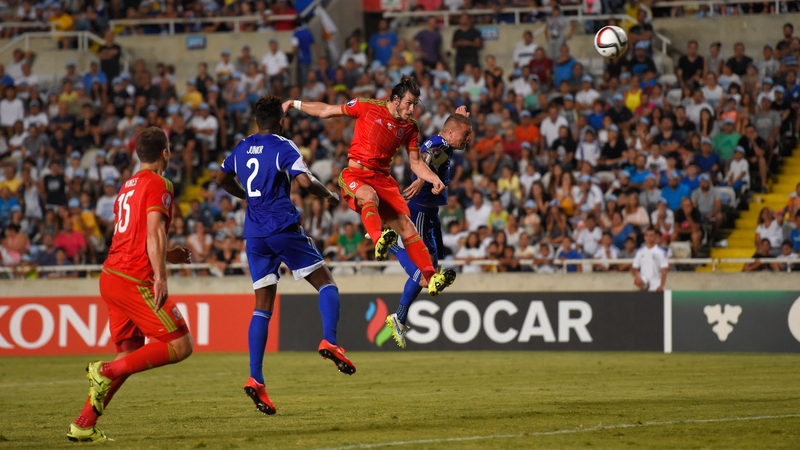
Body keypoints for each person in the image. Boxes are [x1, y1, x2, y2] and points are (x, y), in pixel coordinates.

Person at [217, 96, 355, 416]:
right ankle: (330, 340)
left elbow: (220, 179)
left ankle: (256, 376)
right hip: (282, 226)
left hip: (254, 235)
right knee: (326, 283)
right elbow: (305, 183)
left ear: (256, 121)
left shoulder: (241, 146)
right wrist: (330, 195)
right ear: (281, 120)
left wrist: (246, 198)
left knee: (262, 306)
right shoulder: (284, 145)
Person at [67, 128, 193, 442]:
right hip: (135, 279)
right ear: (165, 153)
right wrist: (161, 276)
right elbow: (152, 231)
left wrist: (170, 254)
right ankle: (104, 370)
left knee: (130, 352)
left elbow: (133, 234)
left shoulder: (126, 187)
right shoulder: (160, 183)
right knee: (180, 345)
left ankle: (83, 424)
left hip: (111, 276)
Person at [282, 77, 454, 296]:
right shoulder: (367, 107)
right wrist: (294, 103)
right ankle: (377, 239)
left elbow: (416, 163)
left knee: (407, 226)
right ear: (395, 99)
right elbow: (326, 111)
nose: (412, 109)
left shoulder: (410, 127)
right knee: (368, 196)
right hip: (356, 174)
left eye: (415, 104)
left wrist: (433, 179)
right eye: (409, 103)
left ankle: (431, 277)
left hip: (383, 179)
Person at [385, 109, 473, 348]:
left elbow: (439, 145)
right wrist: (422, 179)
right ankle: (391, 243)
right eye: (465, 134)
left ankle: (400, 317)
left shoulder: (445, 141)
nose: (468, 139)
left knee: (433, 271)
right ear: (451, 131)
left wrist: (460, 115)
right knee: (427, 276)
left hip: (430, 211)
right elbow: (426, 157)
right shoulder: (440, 145)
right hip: (421, 211)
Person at [632, 227, 668, 292]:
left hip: (656, 286)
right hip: (644, 286)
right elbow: (634, 268)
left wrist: (661, 285)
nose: (649, 238)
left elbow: (664, 270)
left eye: (651, 235)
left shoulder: (660, 252)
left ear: (655, 237)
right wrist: (637, 277)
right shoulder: (640, 252)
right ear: (644, 237)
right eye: (647, 235)